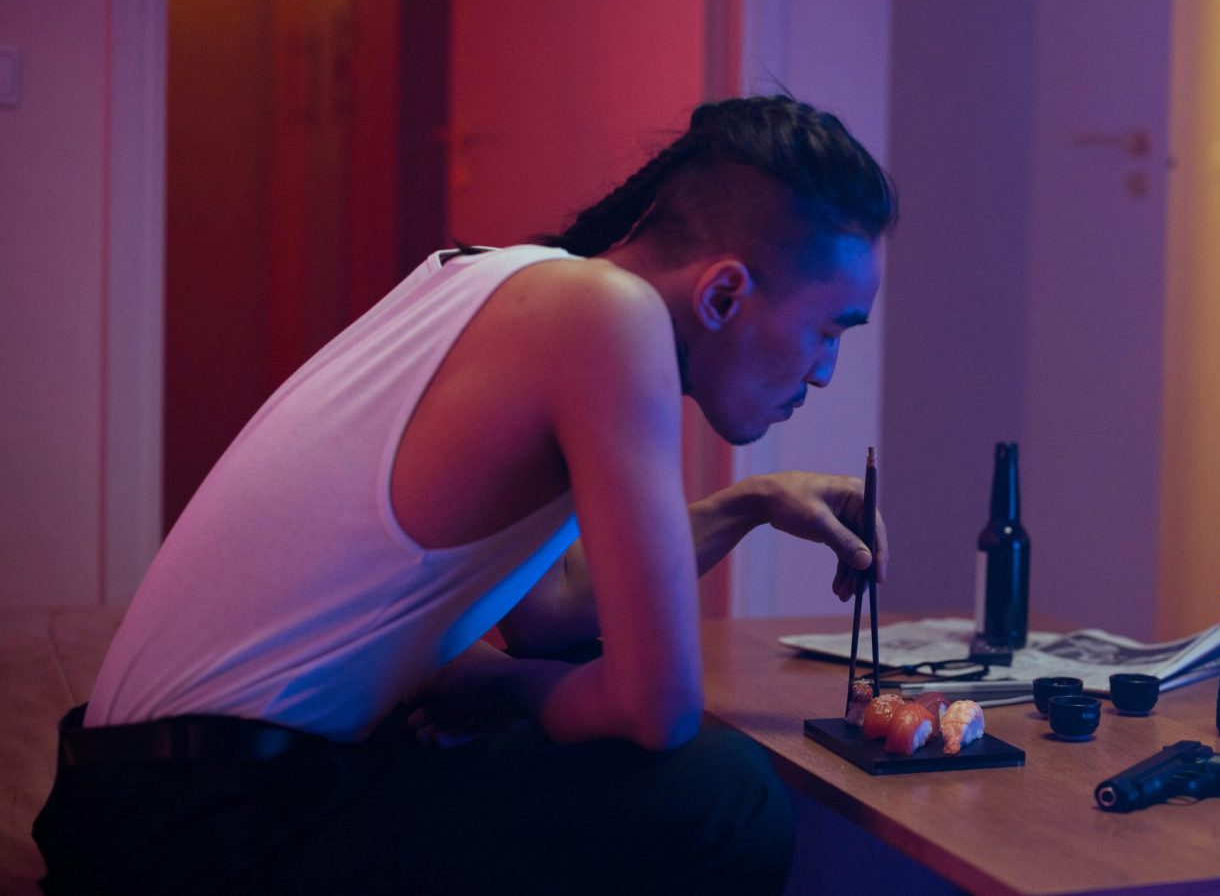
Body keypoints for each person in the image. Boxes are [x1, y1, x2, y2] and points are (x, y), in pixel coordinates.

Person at [33, 95, 897, 894]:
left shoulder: (503, 275)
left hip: (134, 791)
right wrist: (508, 688)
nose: (825, 371)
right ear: (724, 292)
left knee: (576, 690)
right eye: (830, 330)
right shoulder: (610, 317)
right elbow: (656, 707)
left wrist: (745, 505)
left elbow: (547, 609)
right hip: (198, 828)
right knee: (722, 797)